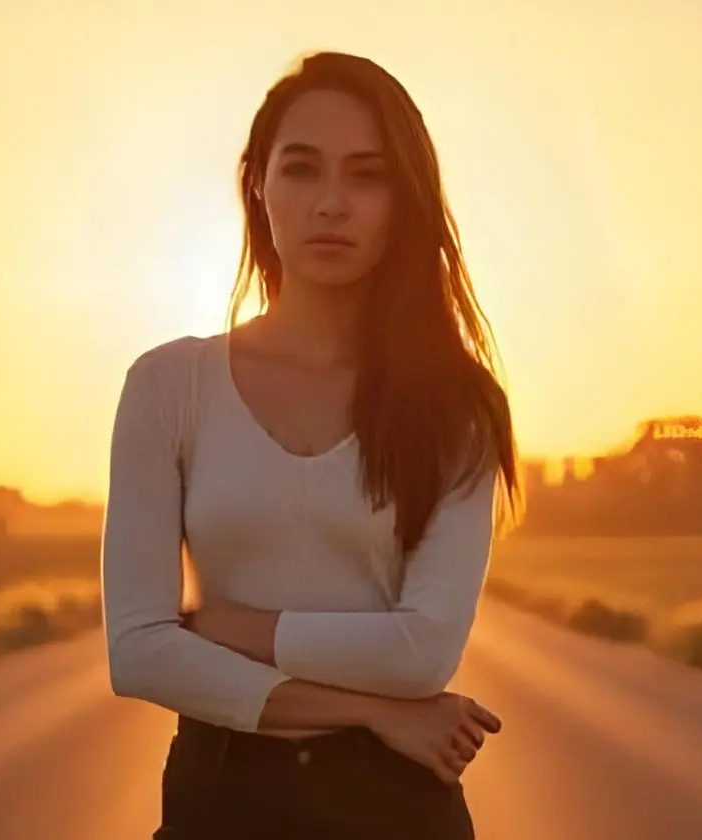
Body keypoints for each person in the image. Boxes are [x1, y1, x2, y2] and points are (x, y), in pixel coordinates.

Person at [101, 49, 522, 840]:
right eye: (302, 170)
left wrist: (226, 628)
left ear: (405, 200)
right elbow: (140, 655)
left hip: (396, 808)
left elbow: (421, 654)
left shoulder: (453, 407)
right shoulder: (168, 386)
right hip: (218, 799)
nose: (333, 202)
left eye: (368, 176)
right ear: (257, 183)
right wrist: (373, 711)